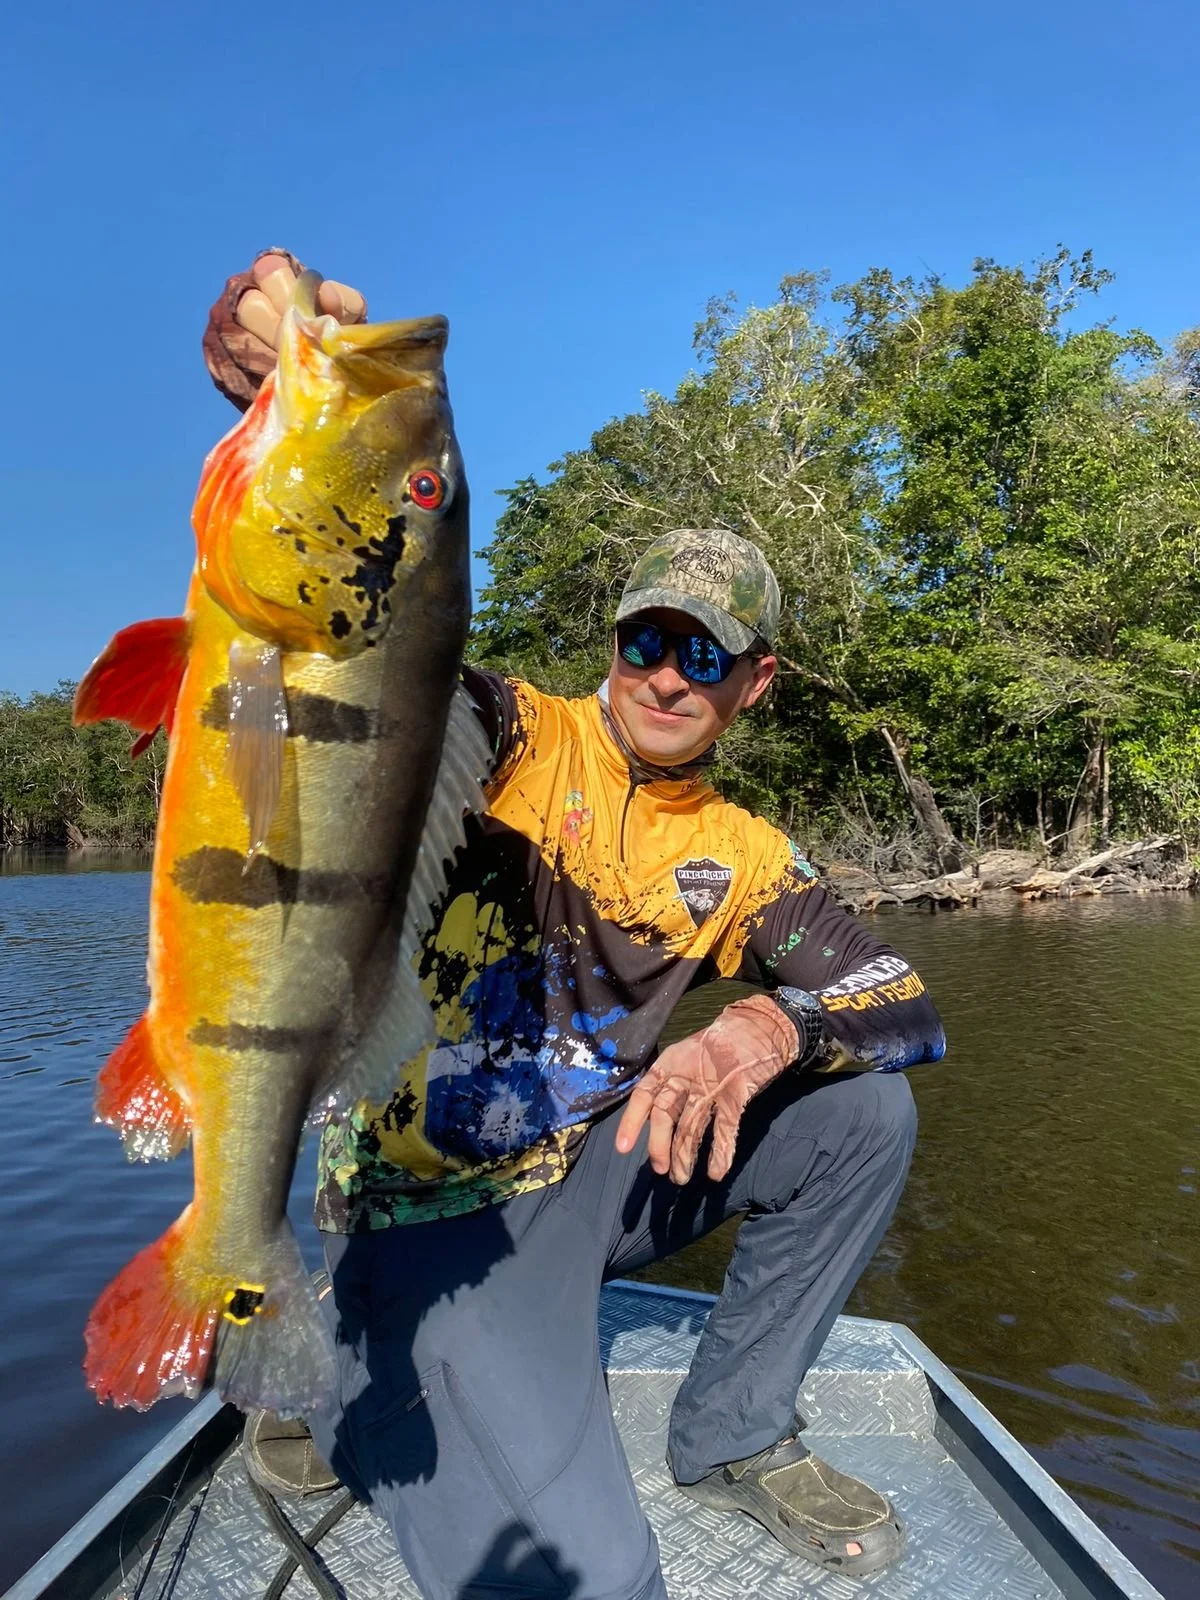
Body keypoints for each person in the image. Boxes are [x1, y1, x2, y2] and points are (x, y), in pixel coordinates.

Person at [204, 252, 947, 1600]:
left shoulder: (740, 851)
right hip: (427, 1211)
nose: (666, 673)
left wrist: (771, 1025)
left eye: (704, 652)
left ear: (755, 682)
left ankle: (731, 1434)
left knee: (864, 1112)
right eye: (643, 640)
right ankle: (348, 1365)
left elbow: (903, 995)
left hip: (590, 1177)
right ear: (610, 643)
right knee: (594, 1585)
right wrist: (291, 422)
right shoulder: (500, 729)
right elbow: (369, 671)